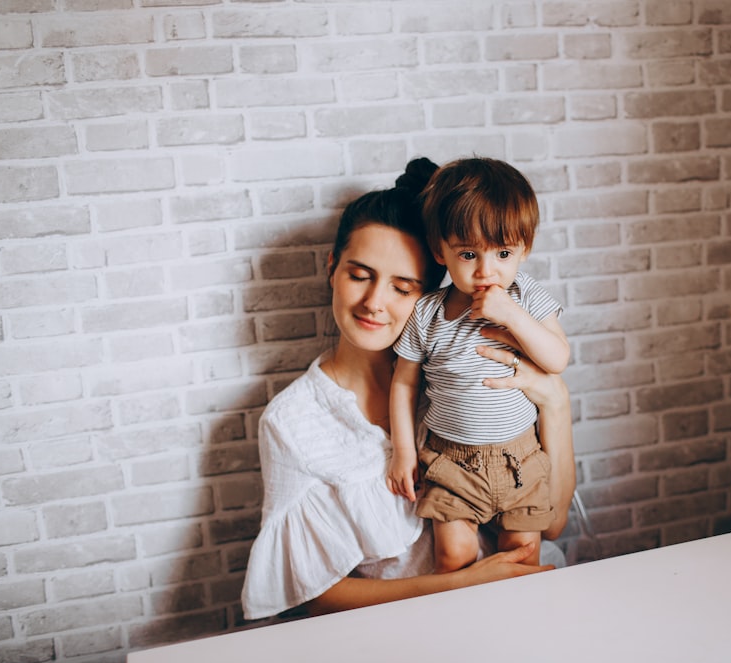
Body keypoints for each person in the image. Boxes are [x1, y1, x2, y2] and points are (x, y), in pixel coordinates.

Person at [240, 158, 575, 620]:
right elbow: (310, 594)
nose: (375, 303)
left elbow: (553, 524)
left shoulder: (477, 373)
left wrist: (555, 400)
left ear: (430, 297)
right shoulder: (293, 422)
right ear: (333, 267)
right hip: (416, 635)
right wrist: (456, 586)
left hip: (527, 608)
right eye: (359, 275)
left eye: (402, 287)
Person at [387, 158, 570, 574]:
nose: (487, 271)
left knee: (524, 551)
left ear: (524, 249)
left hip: (521, 457)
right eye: (469, 254)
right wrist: (402, 452)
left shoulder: (525, 297)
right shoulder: (429, 314)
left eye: (503, 253)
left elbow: (557, 358)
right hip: (452, 460)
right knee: (452, 557)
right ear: (441, 252)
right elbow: (403, 384)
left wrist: (513, 316)